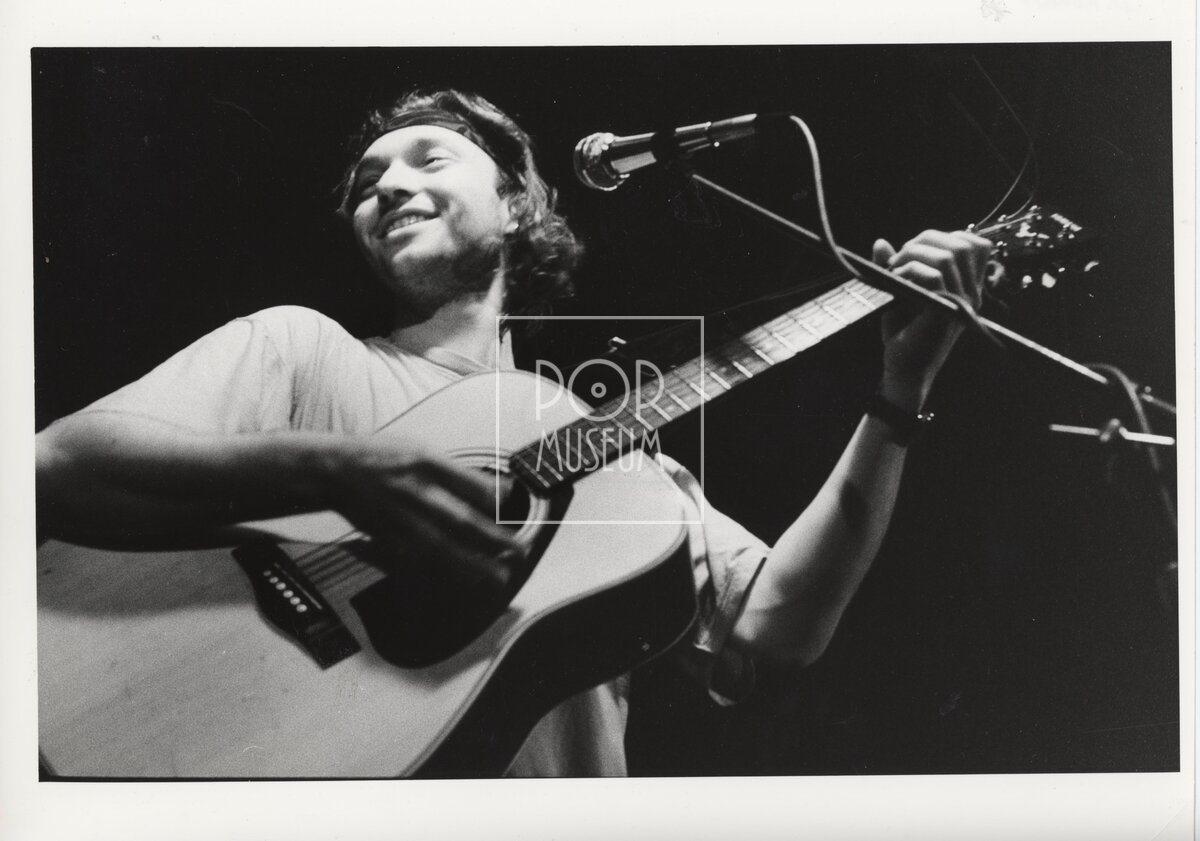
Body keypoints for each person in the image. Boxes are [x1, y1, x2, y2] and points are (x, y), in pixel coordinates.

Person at [35, 89, 992, 776]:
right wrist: (340, 469)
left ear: (517, 204)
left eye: (427, 160)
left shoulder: (628, 470)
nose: (387, 186)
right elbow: (55, 464)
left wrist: (899, 394)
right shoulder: (302, 350)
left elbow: (774, 631)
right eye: (367, 181)